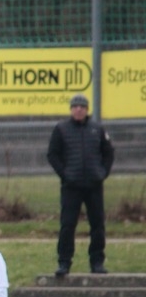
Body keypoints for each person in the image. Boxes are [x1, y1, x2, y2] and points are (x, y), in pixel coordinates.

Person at [47, 92, 115, 277]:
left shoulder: (97, 129)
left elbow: (108, 153)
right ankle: (64, 262)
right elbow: (52, 154)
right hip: (71, 186)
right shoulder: (61, 129)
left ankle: (97, 262)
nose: (79, 109)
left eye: (82, 107)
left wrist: (102, 173)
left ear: (87, 110)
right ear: (71, 109)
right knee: (67, 225)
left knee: (97, 225)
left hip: (94, 185)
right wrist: (65, 175)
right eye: (75, 106)